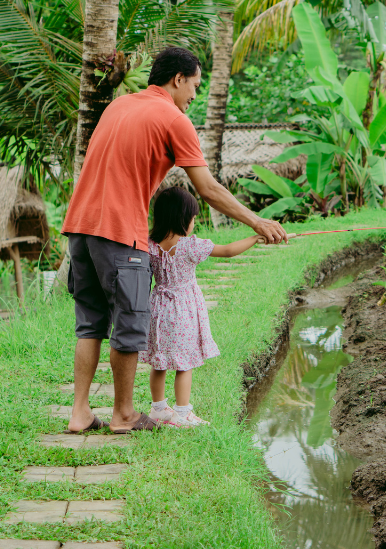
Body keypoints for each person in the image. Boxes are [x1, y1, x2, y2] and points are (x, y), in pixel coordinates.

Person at [61, 47, 287, 434]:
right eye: (195, 85)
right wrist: (257, 222)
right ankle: (124, 414)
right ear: (178, 79)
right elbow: (208, 188)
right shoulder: (174, 119)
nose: (196, 96)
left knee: (90, 323)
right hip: (118, 232)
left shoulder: (118, 106)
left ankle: (80, 412)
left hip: (80, 226)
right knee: (130, 326)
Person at [143, 187, 262, 427]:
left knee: (160, 362)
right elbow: (228, 251)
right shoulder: (189, 246)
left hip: (158, 309)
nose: (194, 224)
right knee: (184, 364)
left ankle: (158, 409)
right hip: (182, 310)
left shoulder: (150, 244)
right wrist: (256, 237)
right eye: (193, 219)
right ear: (182, 218)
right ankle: (182, 413)